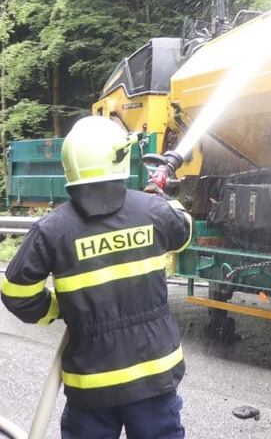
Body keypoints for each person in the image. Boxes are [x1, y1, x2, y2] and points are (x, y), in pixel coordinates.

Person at [1, 116, 193, 439]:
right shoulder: (152, 211)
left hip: (90, 387)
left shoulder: (51, 230)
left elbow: (15, 291)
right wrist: (160, 198)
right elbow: (184, 230)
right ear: (117, 160)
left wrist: (57, 308)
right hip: (154, 379)